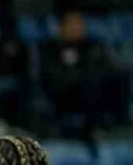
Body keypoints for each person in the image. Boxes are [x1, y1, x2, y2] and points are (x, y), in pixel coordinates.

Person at [40, 8, 126, 140]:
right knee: (89, 82)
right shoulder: (50, 48)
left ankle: (118, 124)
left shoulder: (94, 46)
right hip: (63, 93)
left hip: (92, 90)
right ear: (61, 28)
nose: (76, 28)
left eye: (79, 24)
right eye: (72, 24)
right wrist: (81, 76)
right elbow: (53, 76)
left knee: (119, 77)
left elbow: (108, 68)